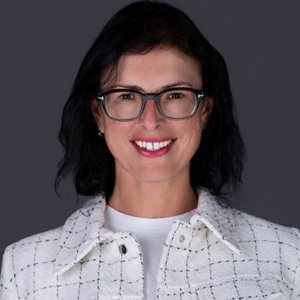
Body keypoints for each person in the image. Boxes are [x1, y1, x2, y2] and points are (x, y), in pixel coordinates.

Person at [0, 1, 299, 299]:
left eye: (175, 94)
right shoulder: (25, 271)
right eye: (127, 95)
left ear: (205, 111)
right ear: (98, 114)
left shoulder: (288, 257)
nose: (151, 120)